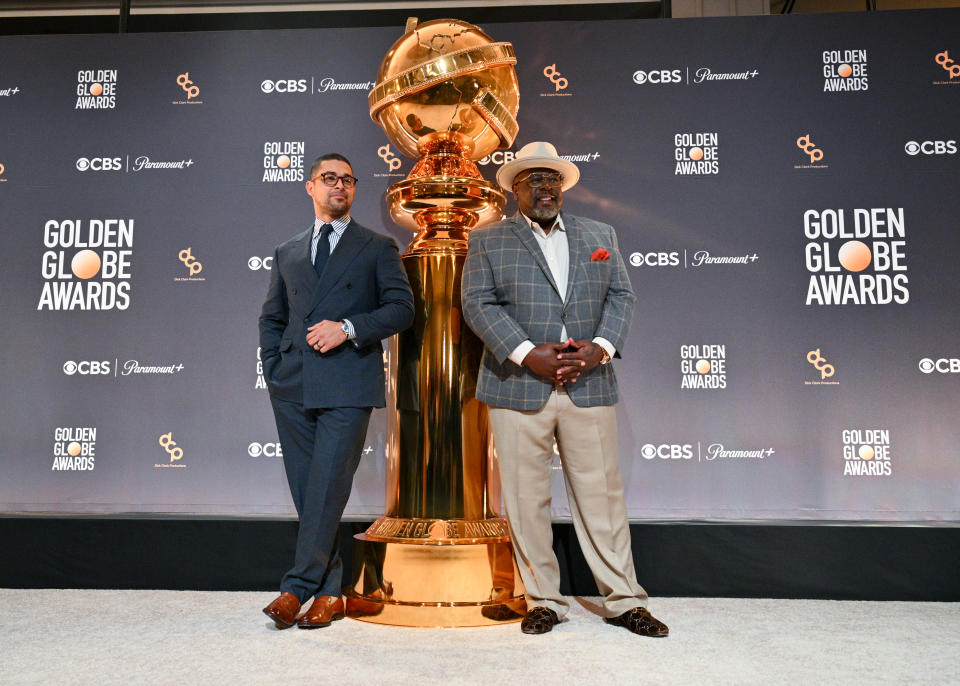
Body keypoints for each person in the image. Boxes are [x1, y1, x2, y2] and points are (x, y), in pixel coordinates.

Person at [461, 141, 668, 637]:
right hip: (517, 386)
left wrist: (599, 347)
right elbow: (477, 304)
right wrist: (528, 352)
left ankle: (623, 600)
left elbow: (622, 295)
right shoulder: (488, 239)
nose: (544, 187)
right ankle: (543, 600)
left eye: (551, 179)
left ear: (563, 186)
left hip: (588, 384)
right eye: (532, 179)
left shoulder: (600, 234)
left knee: (602, 498)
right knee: (526, 499)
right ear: (514, 190)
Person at [259, 153, 414, 629]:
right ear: (310, 187)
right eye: (329, 179)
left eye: (348, 180)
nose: (339, 186)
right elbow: (272, 316)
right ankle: (329, 594)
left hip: (347, 380)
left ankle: (295, 587)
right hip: (293, 383)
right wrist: (274, 366)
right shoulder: (287, 250)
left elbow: (401, 309)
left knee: (327, 485)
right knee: (309, 492)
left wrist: (347, 326)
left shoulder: (376, 246)